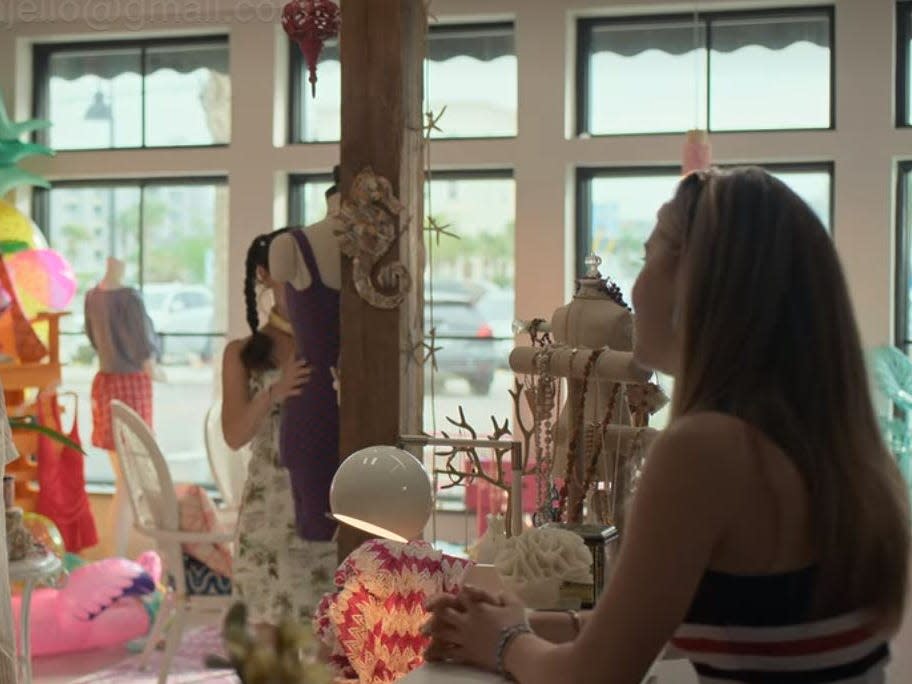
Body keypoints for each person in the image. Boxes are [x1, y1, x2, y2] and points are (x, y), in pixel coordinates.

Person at [424, 167, 911, 683]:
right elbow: (685, 620)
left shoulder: (707, 450)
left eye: (648, 254)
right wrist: (524, 624)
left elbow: (595, 676)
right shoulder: (826, 449)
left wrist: (504, 643)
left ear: (697, 284)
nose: (633, 287)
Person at [221, 229, 336, 634]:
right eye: (287, 273)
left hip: (324, 500)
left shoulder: (329, 345)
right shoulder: (240, 352)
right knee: (269, 640)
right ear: (265, 277)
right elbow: (234, 435)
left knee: (330, 634)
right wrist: (273, 392)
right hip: (269, 506)